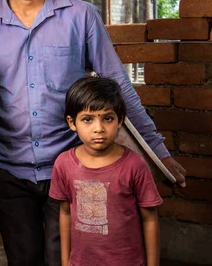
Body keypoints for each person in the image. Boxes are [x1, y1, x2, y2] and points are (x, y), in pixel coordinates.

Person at [0, 0, 186, 265]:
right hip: (7, 170)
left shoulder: (81, 16)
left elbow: (119, 87)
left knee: (68, 259)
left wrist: (157, 152)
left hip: (72, 168)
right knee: (23, 260)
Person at [50, 76, 162, 266]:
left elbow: (150, 219)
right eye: (87, 119)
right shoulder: (64, 164)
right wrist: (65, 261)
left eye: (108, 118)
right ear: (71, 122)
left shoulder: (134, 165)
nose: (99, 129)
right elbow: (65, 213)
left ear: (120, 120)